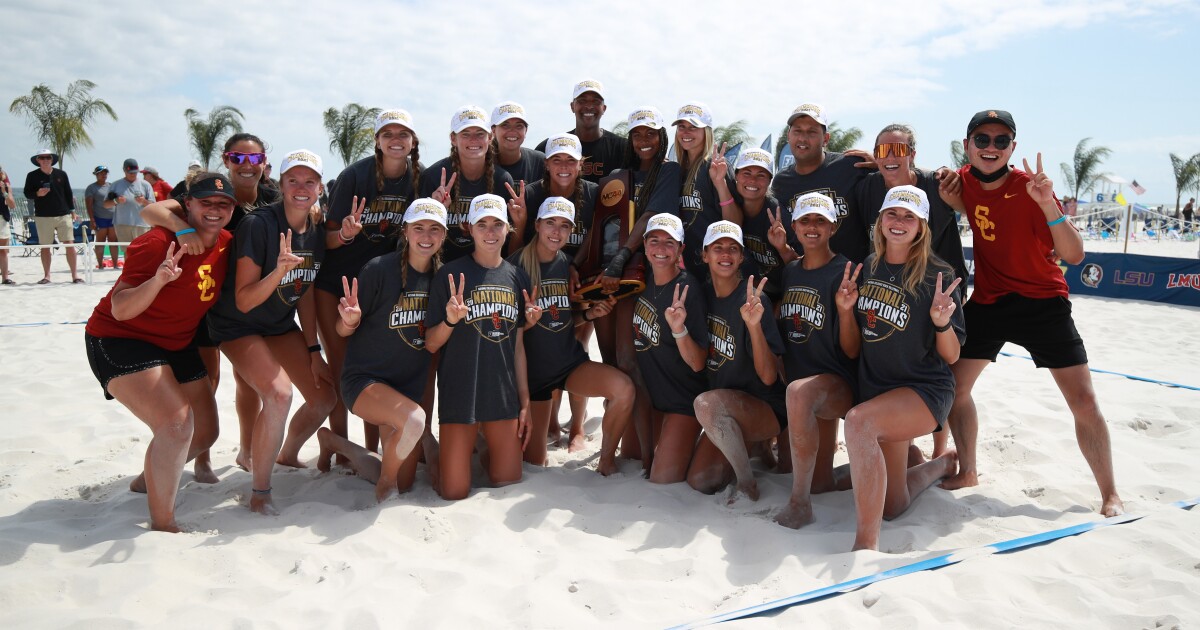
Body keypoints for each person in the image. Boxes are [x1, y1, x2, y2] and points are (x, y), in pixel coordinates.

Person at [938, 110, 1124, 517]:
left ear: (1012, 148)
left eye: (1001, 141)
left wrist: (1048, 206)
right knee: (953, 387)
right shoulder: (961, 180)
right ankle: (969, 471)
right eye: (982, 139)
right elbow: (916, 179)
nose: (991, 147)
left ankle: (1109, 493)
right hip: (990, 300)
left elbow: (1074, 255)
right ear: (967, 144)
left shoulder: (1031, 188)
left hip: (1043, 301)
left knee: (1083, 400)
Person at [83, 172, 237, 531]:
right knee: (176, 425)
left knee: (205, 433)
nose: (214, 210)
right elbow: (121, 308)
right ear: (188, 205)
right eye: (205, 203)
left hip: (176, 341)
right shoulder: (156, 243)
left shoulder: (228, 241)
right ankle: (164, 523)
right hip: (120, 337)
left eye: (223, 204)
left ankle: (144, 481)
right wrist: (159, 280)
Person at [205, 149, 336, 515]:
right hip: (237, 325)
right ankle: (260, 491)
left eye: (309, 181)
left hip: (279, 324)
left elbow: (305, 290)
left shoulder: (315, 229)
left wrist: (313, 349)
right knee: (279, 395)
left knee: (325, 396)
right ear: (280, 184)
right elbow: (244, 301)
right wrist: (278, 271)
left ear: (320, 188)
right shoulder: (259, 224)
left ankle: (284, 452)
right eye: (292, 180)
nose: (301, 187)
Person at [141, 132, 280, 474]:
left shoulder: (272, 194)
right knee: (209, 380)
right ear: (226, 158)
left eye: (254, 159)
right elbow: (151, 210)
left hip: (243, 303)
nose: (246, 166)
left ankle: (246, 451)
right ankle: (202, 456)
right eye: (238, 158)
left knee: (248, 382)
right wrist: (182, 229)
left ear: (264, 163)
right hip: (203, 299)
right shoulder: (206, 188)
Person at [838, 185, 962, 551]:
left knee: (859, 422)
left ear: (921, 226)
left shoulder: (937, 275)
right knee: (893, 505)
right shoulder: (867, 268)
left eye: (910, 216)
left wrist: (941, 321)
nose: (899, 222)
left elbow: (952, 356)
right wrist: (846, 312)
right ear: (880, 220)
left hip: (923, 391)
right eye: (893, 213)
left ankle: (865, 545)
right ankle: (940, 465)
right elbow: (851, 348)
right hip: (880, 391)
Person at [315, 198, 448, 501]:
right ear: (405, 232)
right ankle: (385, 486)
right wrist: (349, 321)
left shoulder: (442, 279)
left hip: (406, 389)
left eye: (434, 230)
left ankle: (334, 442)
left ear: (443, 235)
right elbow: (341, 329)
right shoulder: (379, 270)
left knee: (408, 478)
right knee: (414, 424)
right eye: (419, 228)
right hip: (365, 383)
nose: (426, 237)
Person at [855, 124, 969, 458]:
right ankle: (914, 450)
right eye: (882, 150)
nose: (890, 157)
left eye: (899, 150)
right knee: (898, 349)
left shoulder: (937, 183)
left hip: (942, 288)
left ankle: (940, 451)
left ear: (913, 155)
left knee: (943, 363)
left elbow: (973, 206)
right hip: (894, 278)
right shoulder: (871, 189)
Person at [317, 109, 423, 454]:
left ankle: (372, 445)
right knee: (341, 363)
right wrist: (346, 234)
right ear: (377, 141)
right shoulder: (354, 176)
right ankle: (339, 444)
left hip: (381, 286)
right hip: (338, 282)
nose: (395, 140)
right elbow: (328, 239)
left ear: (413, 141)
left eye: (402, 134)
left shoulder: (417, 178)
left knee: (374, 364)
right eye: (388, 134)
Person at [510, 197, 634, 474]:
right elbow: (506, 334)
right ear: (537, 225)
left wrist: (590, 315)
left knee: (623, 389)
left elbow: (565, 318)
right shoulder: (514, 267)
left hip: (568, 365)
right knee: (534, 463)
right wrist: (526, 323)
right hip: (533, 380)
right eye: (551, 223)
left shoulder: (568, 266)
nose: (557, 231)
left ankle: (606, 459)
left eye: (564, 226)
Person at [425, 194, 534, 500]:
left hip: (502, 398)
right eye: (482, 224)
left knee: (508, 482)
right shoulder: (448, 275)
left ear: (508, 228)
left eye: (497, 224)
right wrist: (449, 320)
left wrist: (524, 403)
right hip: (462, 397)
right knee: (454, 492)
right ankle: (440, 453)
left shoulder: (517, 276)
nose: (490, 231)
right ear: (468, 229)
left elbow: (518, 348)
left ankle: (482, 446)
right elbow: (431, 344)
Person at [594, 106, 681, 469]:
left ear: (662, 138)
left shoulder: (670, 171)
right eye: (638, 134)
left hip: (645, 275)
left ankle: (647, 457)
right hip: (613, 277)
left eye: (652, 133)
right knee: (614, 364)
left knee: (632, 362)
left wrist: (622, 256)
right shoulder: (618, 176)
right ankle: (618, 449)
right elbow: (599, 225)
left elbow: (648, 218)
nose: (645, 141)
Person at [768, 193, 858, 529]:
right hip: (802, 387)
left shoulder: (844, 272)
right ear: (794, 226)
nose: (812, 227)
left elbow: (851, 351)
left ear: (833, 226)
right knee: (819, 482)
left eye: (820, 220)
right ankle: (911, 461)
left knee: (799, 393)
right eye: (805, 220)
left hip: (835, 383)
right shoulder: (790, 271)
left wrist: (847, 312)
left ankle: (798, 503)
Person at [684, 221, 787, 501]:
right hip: (727, 408)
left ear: (742, 257)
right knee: (699, 481)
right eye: (718, 248)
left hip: (764, 407)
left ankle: (747, 484)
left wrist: (754, 326)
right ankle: (754, 447)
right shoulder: (702, 295)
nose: (726, 254)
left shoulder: (754, 300)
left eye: (733, 248)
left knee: (705, 404)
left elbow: (768, 378)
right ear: (705, 255)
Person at [509, 132, 597, 450]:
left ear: (580, 165)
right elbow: (518, 246)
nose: (563, 166)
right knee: (547, 341)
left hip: (576, 275)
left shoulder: (592, 193)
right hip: (541, 272)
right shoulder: (532, 194)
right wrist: (518, 222)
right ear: (546, 164)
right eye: (556, 159)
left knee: (576, 345)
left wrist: (575, 265)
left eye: (570, 160)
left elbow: (594, 237)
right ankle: (550, 425)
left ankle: (576, 427)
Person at [632, 214, 709, 484]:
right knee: (632, 457)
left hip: (682, 401)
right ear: (644, 245)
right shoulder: (641, 281)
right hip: (652, 400)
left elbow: (698, 363)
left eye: (669, 242)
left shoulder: (689, 290)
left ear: (681, 249)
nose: (661, 249)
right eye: (655, 241)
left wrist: (679, 329)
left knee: (662, 480)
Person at [768, 104, 871, 265]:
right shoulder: (782, 181)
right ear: (789, 136)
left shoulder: (851, 166)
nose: (803, 138)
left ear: (826, 139)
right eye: (797, 131)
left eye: (811, 132)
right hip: (810, 281)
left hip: (853, 279)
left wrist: (880, 163)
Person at [419, 105, 515, 262]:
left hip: (485, 268)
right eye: (465, 134)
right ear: (453, 138)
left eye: (480, 134)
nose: (473, 140)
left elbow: (507, 239)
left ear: (490, 137)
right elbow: (419, 235)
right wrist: (436, 211)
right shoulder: (433, 176)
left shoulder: (502, 179)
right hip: (441, 266)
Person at [715, 148, 792, 302]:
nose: (752, 180)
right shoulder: (728, 205)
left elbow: (802, 264)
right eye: (746, 173)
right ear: (736, 176)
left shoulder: (778, 215)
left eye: (761, 175)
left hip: (784, 292)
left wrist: (783, 248)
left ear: (770, 180)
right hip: (748, 290)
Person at [534, 79, 628, 182]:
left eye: (596, 101)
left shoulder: (623, 148)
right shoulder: (549, 147)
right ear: (572, 106)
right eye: (582, 101)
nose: (589, 106)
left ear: (604, 108)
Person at [672, 102, 723, 277]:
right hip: (686, 264)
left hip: (713, 265)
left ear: (706, 131)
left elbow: (734, 221)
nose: (686, 132)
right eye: (681, 127)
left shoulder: (715, 167)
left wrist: (721, 182)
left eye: (693, 127)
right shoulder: (677, 171)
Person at [23, 148, 81, 284]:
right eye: (42, 158)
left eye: (48, 157)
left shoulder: (61, 174)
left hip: (63, 214)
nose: (45, 160)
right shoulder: (32, 176)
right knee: (45, 246)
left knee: (70, 244)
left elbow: (68, 193)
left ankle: (75, 275)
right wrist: (38, 194)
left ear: (52, 159)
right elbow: (27, 193)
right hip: (43, 216)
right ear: (37, 160)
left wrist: (73, 211)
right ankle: (47, 276)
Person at [491, 101, 545, 186]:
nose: (512, 131)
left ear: (526, 131)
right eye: (505, 125)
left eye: (519, 126)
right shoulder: (481, 163)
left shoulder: (539, 162)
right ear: (493, 130)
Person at [108, 158, 155, 251]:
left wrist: (143, 201)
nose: (133, 174)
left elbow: (153, 205)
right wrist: (116, 201)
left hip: (142, 224)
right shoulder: (115, 185)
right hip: (122, 224)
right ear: (124, 170)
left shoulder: (146, 185)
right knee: (127, 251)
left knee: (142, 251)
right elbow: (106, 204)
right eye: (131, 172)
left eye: (135, 172)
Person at [84, 165, 120, 270]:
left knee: (113, 242)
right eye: (101, 173)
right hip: (100, 218)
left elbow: (116, 202)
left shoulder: (111, 186)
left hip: (113, 218)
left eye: (105, 173)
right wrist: (92, 220)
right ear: (96, 174)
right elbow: (89, 205)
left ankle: (115, 264)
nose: (103, 175)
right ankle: (100, 265)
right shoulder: (91, 188)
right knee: (100, 242)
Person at [0, 167, 16, 284]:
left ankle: (5, 277)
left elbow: (12, 205)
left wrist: (4, 192)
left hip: (2, 219)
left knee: (3, 250)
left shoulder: (5, 185)